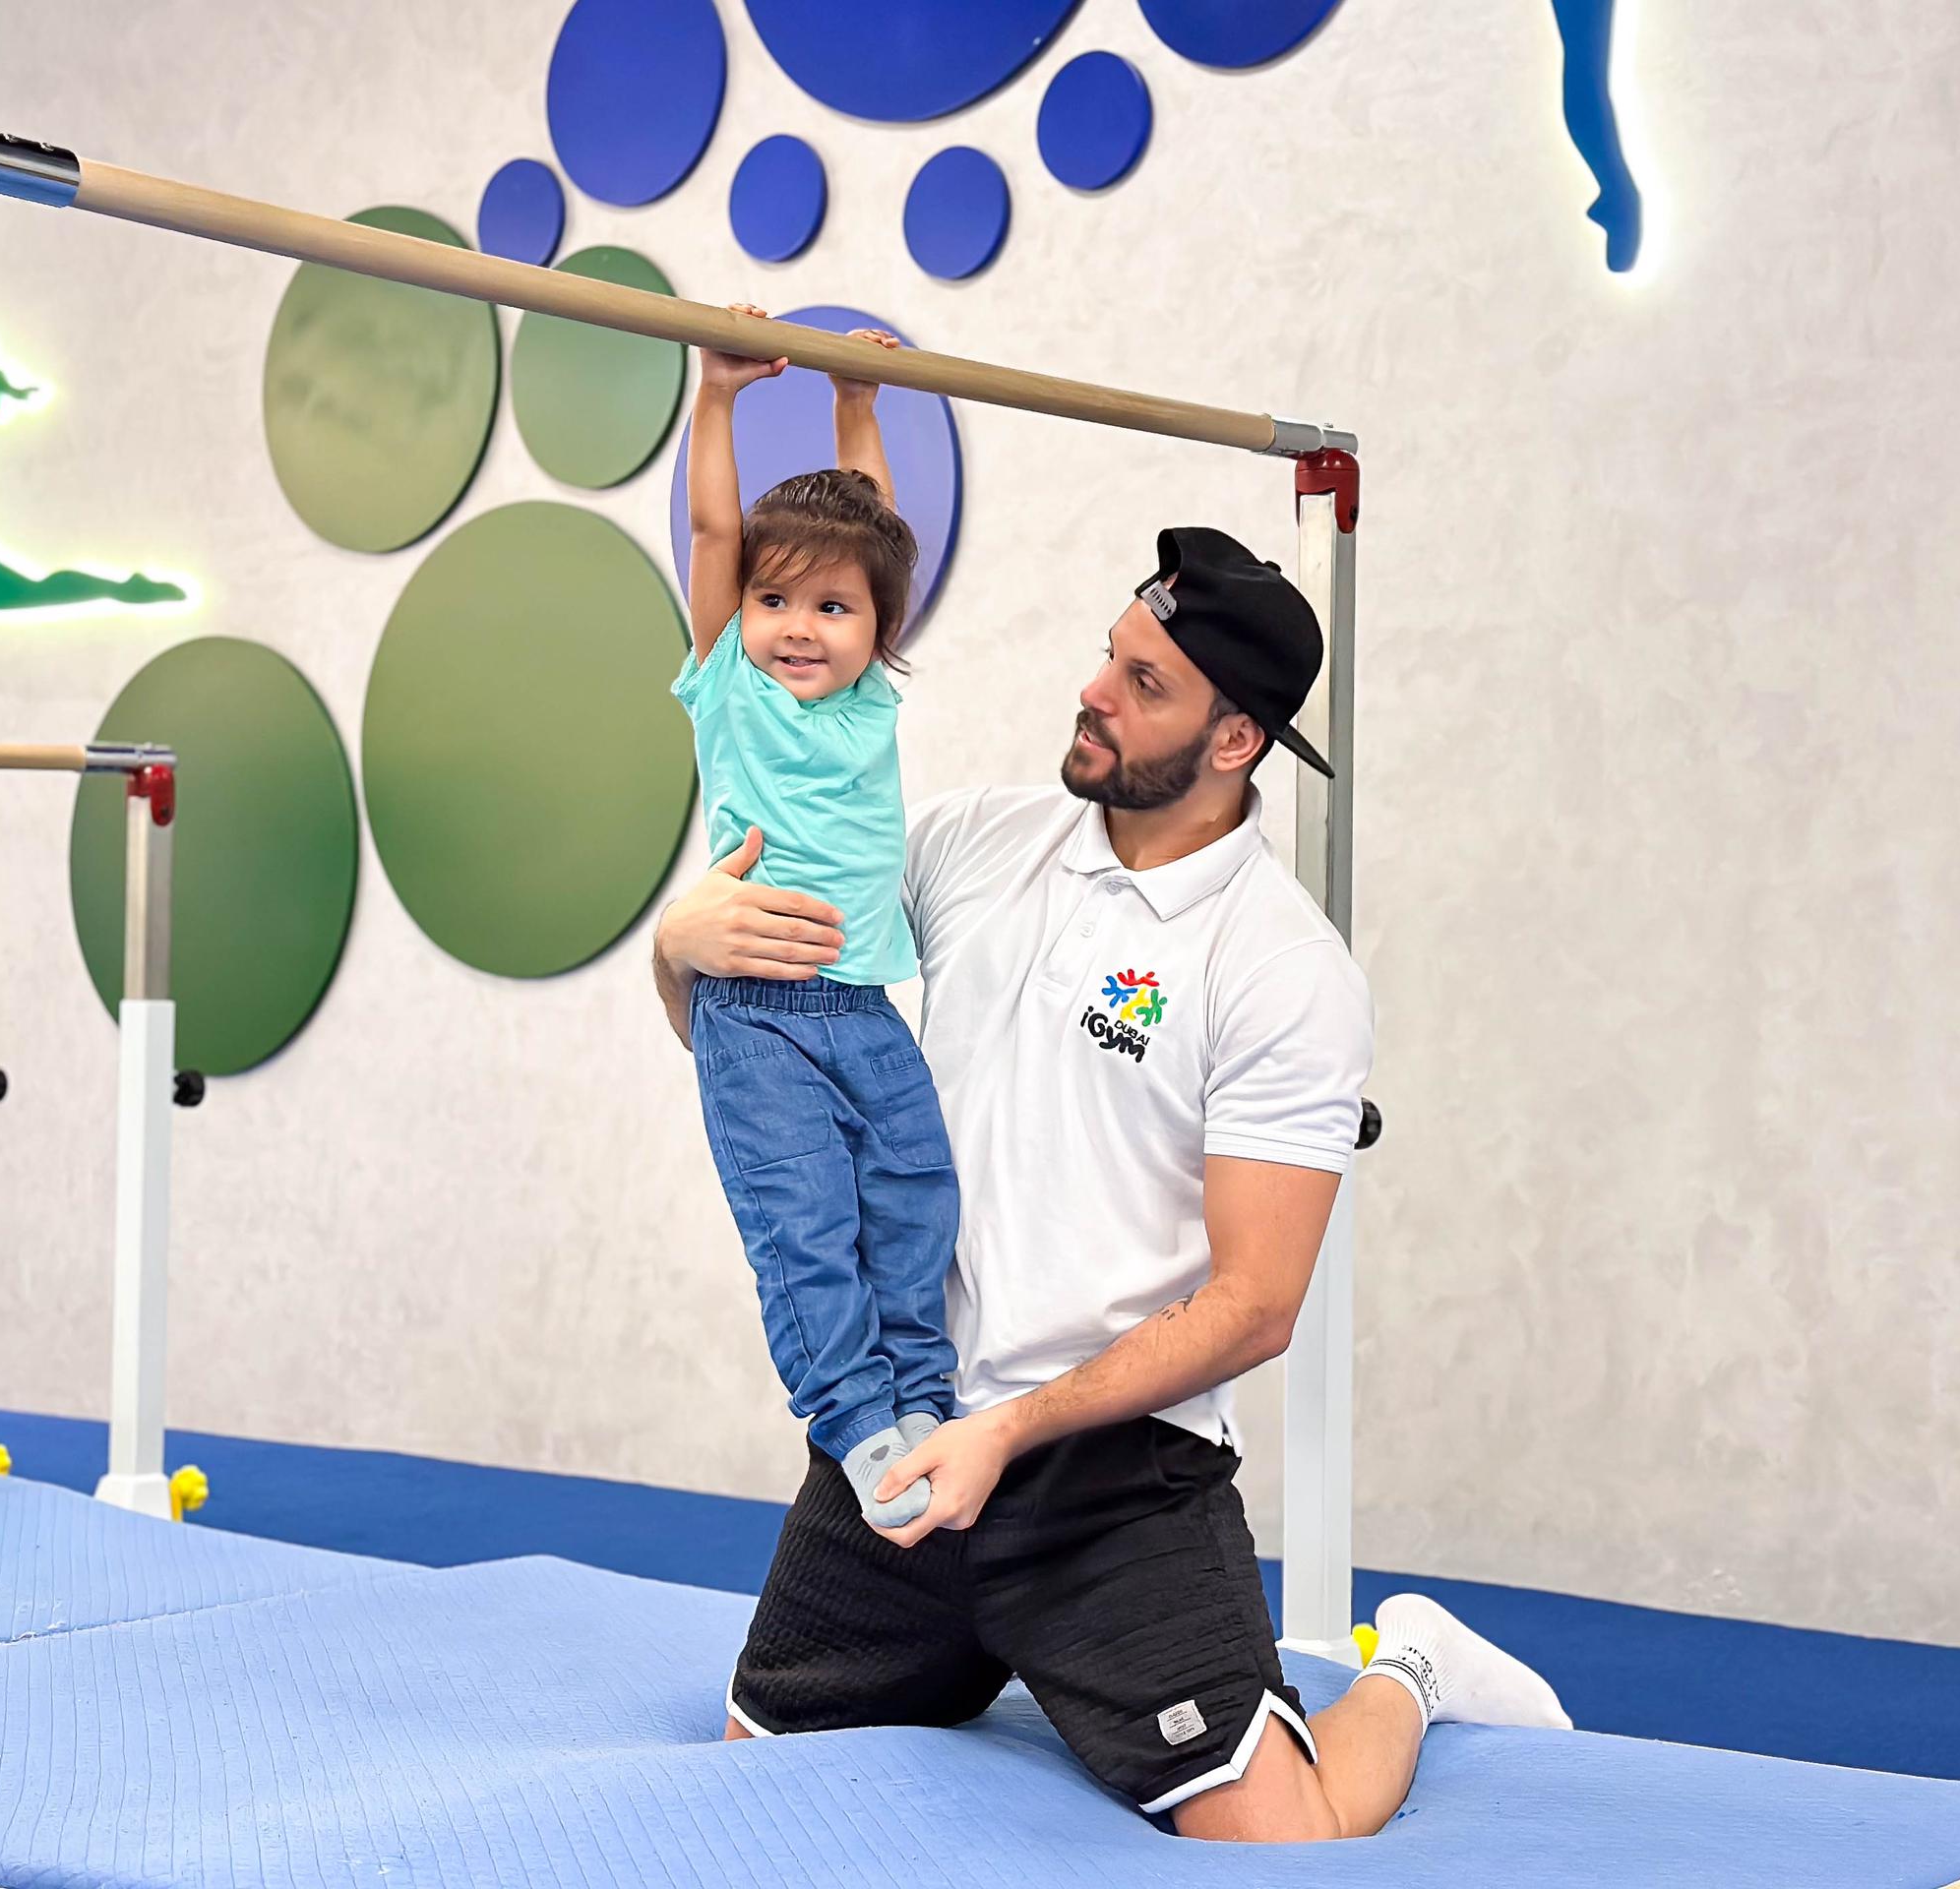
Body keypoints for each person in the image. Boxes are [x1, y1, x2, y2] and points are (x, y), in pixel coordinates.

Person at [654, 526, 1572, 1841]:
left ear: (1235, 739)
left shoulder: (1283, 971)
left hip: (1112, 1480)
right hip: (912, 1440)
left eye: (1145, 684)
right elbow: (770, 1056)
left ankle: (1414, 1668)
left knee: (1286, 1837)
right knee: (750, 1789)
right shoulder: (966, 843)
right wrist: (680, 950)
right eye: (1110, 655)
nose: (1094, 691)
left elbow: (1257, 1306)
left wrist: (1012, 1432)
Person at [673, 306, 960, 1530]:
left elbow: (876, 529)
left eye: (833, 608)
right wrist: (717, 396)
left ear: (880, 627)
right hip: (756, 1015)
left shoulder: (868, 701)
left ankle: (925, 1401)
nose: (799, 625)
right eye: (775, 598)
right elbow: (713, 529)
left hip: (866, 1005)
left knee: (916, 1195)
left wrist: (858, 405)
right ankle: (854, 1419)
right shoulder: (728, 682)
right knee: (804, 1224)